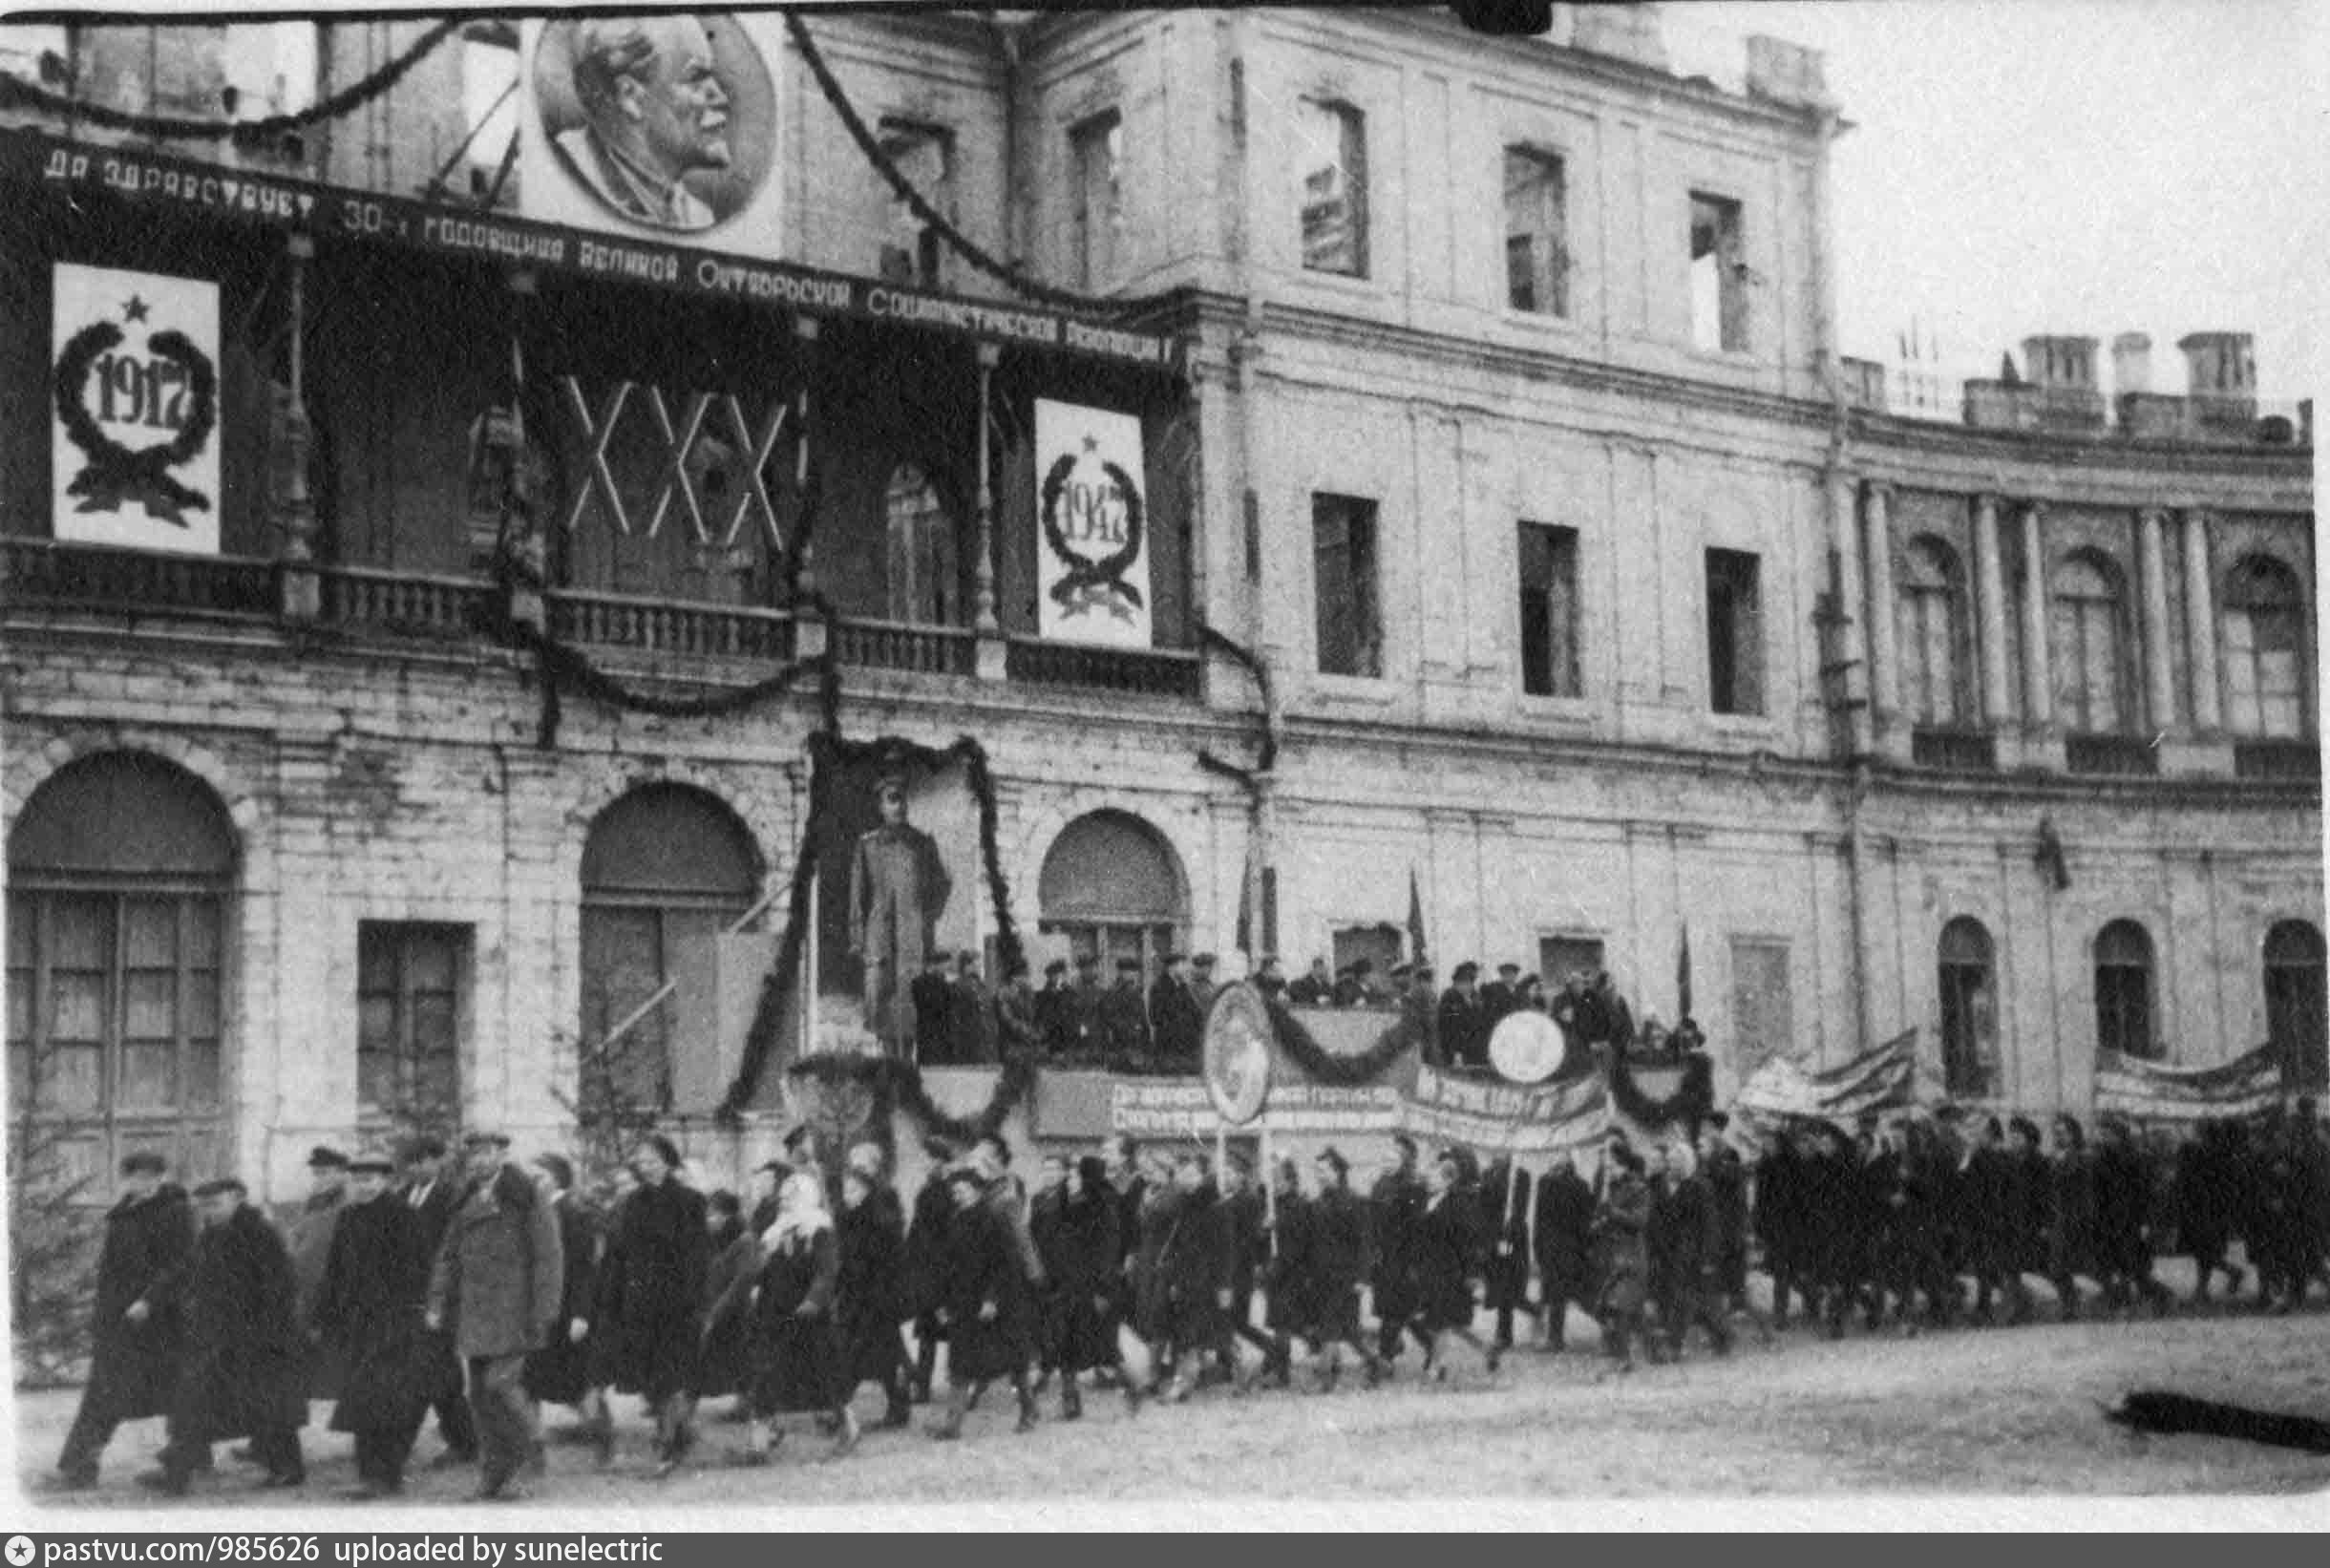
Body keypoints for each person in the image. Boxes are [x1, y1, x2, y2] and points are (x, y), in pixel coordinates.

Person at [140, 1177, 306, 1495]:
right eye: (204, 1206)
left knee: (266, 1407)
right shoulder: (212, 1234)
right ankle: (177, 1469)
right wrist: (151, 1298)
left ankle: (288, 1469)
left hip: (259, 1338)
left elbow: (281, 1287)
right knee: (199, 1401)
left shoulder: (260, 1234)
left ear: (237, 1198)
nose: (209, 1212)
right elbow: (185, 1268)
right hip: (220, 1335)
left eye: (216, 1204)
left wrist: (264, 1334)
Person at [426, 1131, 563, 1502]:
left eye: (487, 1153)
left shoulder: (526, 1195)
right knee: (479, 1396)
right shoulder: (465, 1198)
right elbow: (448, 1256)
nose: (479, 1160)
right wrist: (437, 1303)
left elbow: (548, 1256)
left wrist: (545, 1309)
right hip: (474, 1311)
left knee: (501, 1385)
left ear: (502, 1154)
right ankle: (493, 1473)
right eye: (473, 1154)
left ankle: (529, 1453)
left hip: (515, 1311)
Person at [53, 1152, 194, 1492]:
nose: (143, 1183)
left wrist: (149, 1300)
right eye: (136, 1177)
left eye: (150, 1177)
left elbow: (182, 1264)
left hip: (161, 1321)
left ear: (161, 1178)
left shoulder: (175, 1212)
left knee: (177, 1394)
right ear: (126, 1179)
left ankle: (181, 1467)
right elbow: (110, 1272)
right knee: (104, 1391)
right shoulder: (122, 1215)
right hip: (118, 1320)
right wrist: (101, 1317)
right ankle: (80, 1466)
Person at [310, 1155, 432, 1500]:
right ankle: (369, 1474)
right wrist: (323, 1315)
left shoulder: (404, 1216)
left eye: (370, 1180)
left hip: (394, 1324)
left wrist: (407, 1312)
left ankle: (387, 1475)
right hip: (357, 1324)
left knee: (388, 1400)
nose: (363, 1187)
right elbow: (335, 1270)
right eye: (358, 1180)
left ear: (386, 1181)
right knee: (361, 1400)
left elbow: (418, 1270)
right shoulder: (348, 1216)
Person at [552, 14, 735, 232]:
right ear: (629, 96)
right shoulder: (560, 178)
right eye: (694, 78)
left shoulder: (699, 218)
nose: (721, 97)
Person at [594, 1135, 710, 1477]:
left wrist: (694, 1300)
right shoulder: (632, 1203)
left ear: (668, 1162)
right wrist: (613, 1297)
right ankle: (678, 1432)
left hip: (676, 1305)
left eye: (652, 1161)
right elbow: (619, 1253)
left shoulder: (690, 1201)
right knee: (648, 1380)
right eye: (641, 1162)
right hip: (639, 1304)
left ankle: (667, 1444)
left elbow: (698, 1256)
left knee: (670, 1376)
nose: (645, 1167)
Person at [741, 1172, 858, 1462]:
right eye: (784, 1196)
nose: (786, 1201)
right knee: (766, 1373)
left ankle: (848, 1426)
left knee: (825, 1374)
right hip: (775, 1313)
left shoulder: (819, 1229)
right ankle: (760, 1442)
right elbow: (763, 1270)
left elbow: (827, 1270)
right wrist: (757, 1282)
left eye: (793, 1196)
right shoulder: (775, 1232)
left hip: (808, 1316)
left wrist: (814, 1300)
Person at [926, 1166, 1038, 1439]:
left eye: (963, 1190)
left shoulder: (992, 1219)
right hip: (963, 1302)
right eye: (955, 1192)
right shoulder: (955, 1219)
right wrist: (942, 1302)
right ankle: (953, 1425)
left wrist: (991, 1298)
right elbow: (947, 1265)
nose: (958, 1196)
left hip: (994, 1304)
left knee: (1012, 1360)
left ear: (977, 1191)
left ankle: (1028, 1408)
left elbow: (1005, 1263)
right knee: (960, 1363)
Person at [850, 773, 953, 1057]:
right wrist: (858, 937)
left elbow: (943, 883)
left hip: (912, 938)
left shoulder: (922, 843)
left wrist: (925, 917)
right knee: (881, 1007)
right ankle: (888, 1063)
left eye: (904, 800)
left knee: (910, 1005)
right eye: (893, 800)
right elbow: (857, 895)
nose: (900, 807)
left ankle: (907, 1064)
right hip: (879, 938)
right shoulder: (868, 845)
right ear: (880, 806)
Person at [1032, 1155, 1134, 1418]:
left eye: (1076, 1177)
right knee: (1063, 1340)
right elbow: (1050, 1244)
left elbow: (1108, 1254)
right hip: (1064, 1286)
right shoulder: (1061, 1207)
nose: (1070, 1181)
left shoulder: (1103, 1210)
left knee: (1103, 1348)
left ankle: (1130, 1387)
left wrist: (1102, 1290)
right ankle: (1070, 1398)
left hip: (1091, 1288)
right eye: (1069, 1177)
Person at [399, 1134, 477, 1470]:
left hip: (440, 1298)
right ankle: (464, 1441)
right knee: (433, 1374)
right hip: (407, 1299)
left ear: (437, 1161)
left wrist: (442, 1298)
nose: (414, 1168)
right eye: (410, 1162)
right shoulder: (402, 1196)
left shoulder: (450, 1198)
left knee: (436, 1373)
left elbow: (454, 1251)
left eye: (421, 1161)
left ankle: (459, 1442)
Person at [523, 1153, 606, 1464]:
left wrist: (581, 1314)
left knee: (576, 1385)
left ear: (557, 1179)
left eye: (539, 1176)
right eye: (531, 1177)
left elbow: (585, 1270)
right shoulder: (532, 1212)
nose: (533, 1182)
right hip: (537, 1311)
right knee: (528, 1383)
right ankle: (534, 1452)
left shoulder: (574, 1214)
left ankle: (601, 1438)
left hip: (566, 1312)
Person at [836, 1160, 914, 1430]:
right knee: (866, 1355)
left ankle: (845, 1411)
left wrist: (885, 1297)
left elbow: (892, 1263)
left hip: (878, 1301)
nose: (847, 1196)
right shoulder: (846, 1220)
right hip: (855, 1298)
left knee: (872, 1356)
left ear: (867, 1191)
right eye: (845, 1191)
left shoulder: (882, 1222)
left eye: (853, 1190)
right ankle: (844, 1410)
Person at [1154, 1151, 1233, 1402]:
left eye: (1191, 1174)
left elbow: (1225, 1249)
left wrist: (1224, 1285)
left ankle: (1183, 1384)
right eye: (1183, 1173)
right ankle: (1194, 1377)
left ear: (1202, 1176)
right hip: (1184, 1277)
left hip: (1206, 1279)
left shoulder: (1216, 1207)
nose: (1185, 1178)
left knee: (1191, 1334)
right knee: (1190, 1333)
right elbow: (1178, 1244)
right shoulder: (1184, 1205)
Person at [1413, 1155, 1499, 1380]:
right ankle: (1487, 1348)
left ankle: (1436, 1367)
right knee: (1452, 1322)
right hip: (1432, 1270)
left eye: (1434, 1177)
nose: (1429, 1180)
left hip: (1452, 1272)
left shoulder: (1458, 1204)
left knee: (1442, 1321)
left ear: (1448, 1180)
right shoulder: (1430, 1201)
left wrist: (1472, 1274)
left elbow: (1469, 1242)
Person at [284, 1147, 350, 1407]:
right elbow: (299, 1235)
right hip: (308, 1284)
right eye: (316, 1173)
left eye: (325, 1172)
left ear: (342, 1173)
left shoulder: (349, 1202)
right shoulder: (314, 1201)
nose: (319, 1178)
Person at [2093, 1119, 2174, 1316]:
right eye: (2103, 1135)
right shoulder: (2101, 1159)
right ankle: (2145, 1299)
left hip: (2132, 1220)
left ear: (2120, 1136)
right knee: (2119, 1265)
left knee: (2131, 1267)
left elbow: (2146, 1192)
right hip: (2110, 1220)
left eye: (2108, 1135)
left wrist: (2146, 1222)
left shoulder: (2136, 1158)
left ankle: (2153, 1298)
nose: (2104, 1139)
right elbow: (2099, 1191)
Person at [693, 1191, 761, 1424]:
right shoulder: (713, 1239)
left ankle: (749, 1407)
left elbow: (744, 1279)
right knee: (713, 1360)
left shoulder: (745, 1241)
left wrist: (718, 1310)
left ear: (727, 1216)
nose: (708, 1219)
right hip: (715, 1308)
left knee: (741, 1360)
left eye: (713, 1214)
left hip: (737, 1312)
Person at [1591, 1144, 1653, 1374]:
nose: (1608, 1170)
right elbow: (1603, 1217)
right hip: (1611, 1255)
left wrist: (1613, 1212)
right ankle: (1653, 1347)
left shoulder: (1639, 1189)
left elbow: (1639, 1221)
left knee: (1619, 1306)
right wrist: (1598, 1223)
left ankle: (1624, 1358)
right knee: (1617, 1308)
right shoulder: (1610, 1188)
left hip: (1631, 1256)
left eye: (1612, 1166)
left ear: (1624, 1165)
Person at [1368, 1134, 1428, 1367]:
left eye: (1393, 1160)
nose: (1387, 1163)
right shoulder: (1380, 1185)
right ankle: (1428, 1345)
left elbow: (1416, 1227)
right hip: (1382, 1257)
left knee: (1394, 1311)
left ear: (1404, 1162)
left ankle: (1385, 1357)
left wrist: (1414, 1262)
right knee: (1396, 1311)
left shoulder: (1412, 1188)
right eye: (1385, 1159)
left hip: (1402, 1258)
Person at [2174, 1119, 2248, 1305]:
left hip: (2207, 1209)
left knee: (2204, 1250)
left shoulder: (2207, 1154)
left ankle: (2204, 1288)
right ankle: (2229, 1274)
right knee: (2203, 1251)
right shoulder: (2219, 1154)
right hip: (2207, 1209)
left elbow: (2190, 1177)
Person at [1531, 1147, 1596, 1351]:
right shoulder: (1547, 1182)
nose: (1555, 1159)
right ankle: (1554, 1336)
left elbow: (1584, 1219)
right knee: (1555, 1292)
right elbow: (1540, 1217)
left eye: (1560, 1156)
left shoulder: (1577, 1185)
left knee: (1562, 1293)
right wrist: (1538, 1245)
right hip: (1555, 1246)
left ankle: (1555, 1338)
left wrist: (1584, 1246)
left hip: (1566, 1247)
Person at [2044, 1114, 2102, 1322]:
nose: (2058, 1137)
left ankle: (2108, 1297)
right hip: (2057, 1218)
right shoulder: (2052, 1158)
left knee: (2084, 1265)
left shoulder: (2083, 1157)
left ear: (2073, 1134)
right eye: (2056, 1133)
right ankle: (2070, 1303)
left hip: (2076, 1217)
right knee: (2056, 1266)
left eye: (2062, 1133)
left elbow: (2084, 1188)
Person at [1478, 1155, 1535, 1350]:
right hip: (1492, 1239)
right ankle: (1535, 1311)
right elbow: (1483, 1207)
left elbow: (1519, 1209)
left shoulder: (1520, 1175)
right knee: (1499, 1286)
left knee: (1506, 1285)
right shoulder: (1487, 1174)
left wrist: (1508, 1236)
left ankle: (1504, 1335)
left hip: (1511, 1239)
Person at [1149, 951, 1205, 1070]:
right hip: (1168, 1049)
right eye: (1182, 965)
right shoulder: (1159, 987)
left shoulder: (1184, 988)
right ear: (1172, 967)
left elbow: (1196, 1013)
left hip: (1186, 1048)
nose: (1185, 969)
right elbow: (1155, 1017)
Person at [1099, 956, 1153, 1070]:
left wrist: (1147, 1044)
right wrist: (1131, 1027)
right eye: (1128, 971)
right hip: (1120, 1046)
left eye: (1133, 971)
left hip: (1138, 1047)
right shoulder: (1111, 993)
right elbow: (1109, 1019)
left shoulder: (1137, 993)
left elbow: (1143, 1020)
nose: (1132, 975)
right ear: (1120, 973)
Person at [1437, 962, 1491, 1070]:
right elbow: (1448, 1029)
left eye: (1470, 982)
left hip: (1476, 1052)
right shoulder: (1449, 997)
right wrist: (1456, 1053)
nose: (1466, 986)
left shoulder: (1476, 998)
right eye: (1462, 982)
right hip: (1456, 1054)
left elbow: (1481, 1025)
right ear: (1456, 983)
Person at [946, 949, 994, 1065]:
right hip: (967, 1036)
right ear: (967, 966)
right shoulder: (957, 985)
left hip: (983, 1037)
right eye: (976, 963)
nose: (979, 966)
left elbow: (987, 1008)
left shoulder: (981, 985)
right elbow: (955, 1015)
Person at [910, 951, 955, 1063]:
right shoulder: (921, 982)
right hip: (930, 1029)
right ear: (937, 964)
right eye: (945, 966)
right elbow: (933, 1004)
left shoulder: (942, 982)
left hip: (937, 1031)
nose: (946, 970)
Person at [1034, 959, 1079, 1058]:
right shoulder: (1042, 995)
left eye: (1059, 974)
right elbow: (1039, 1017)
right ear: (1048, 977)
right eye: (1053, 975)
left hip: (1067, 1036)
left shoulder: (1070, 993)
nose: (1057, 977)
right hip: (1049, 1037)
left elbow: (1074, 1013)